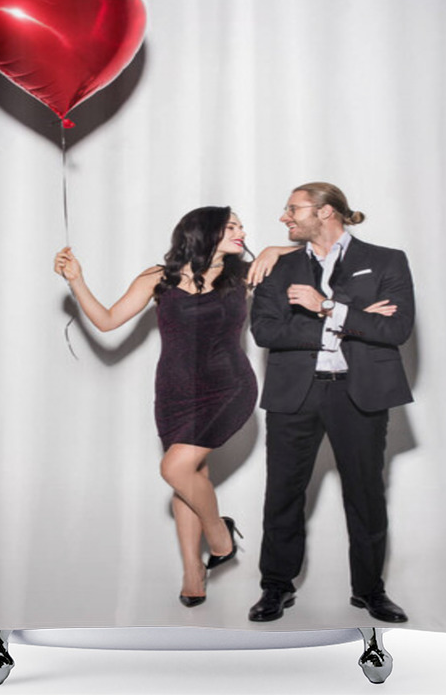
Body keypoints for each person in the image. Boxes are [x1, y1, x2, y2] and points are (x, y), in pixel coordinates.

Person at [55, 207, 272, 608]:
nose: (242, 231)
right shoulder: (158, 278)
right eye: (231, 227)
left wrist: (275, 249)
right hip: (174, 392)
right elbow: (106, 321)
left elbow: (305, 257)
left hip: (229, 388)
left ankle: (220, 537)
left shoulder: (244, 274)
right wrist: (77, 280)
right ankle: (193, 571)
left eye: (241, 226)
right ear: (203, 233)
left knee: (175, 469)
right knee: (187, 473)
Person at [248, 182, 415, 623]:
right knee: (282, 494)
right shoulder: (276, 268)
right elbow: (265, 331)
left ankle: (370, 590)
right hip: (294, 394)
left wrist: (328, 307)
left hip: (357, 391)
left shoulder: (385, 261)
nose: (284, 217)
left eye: (293, 209)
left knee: (366, 495)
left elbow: (396, 331)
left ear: (325, 212)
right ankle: (276, 587)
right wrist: (354, 319)